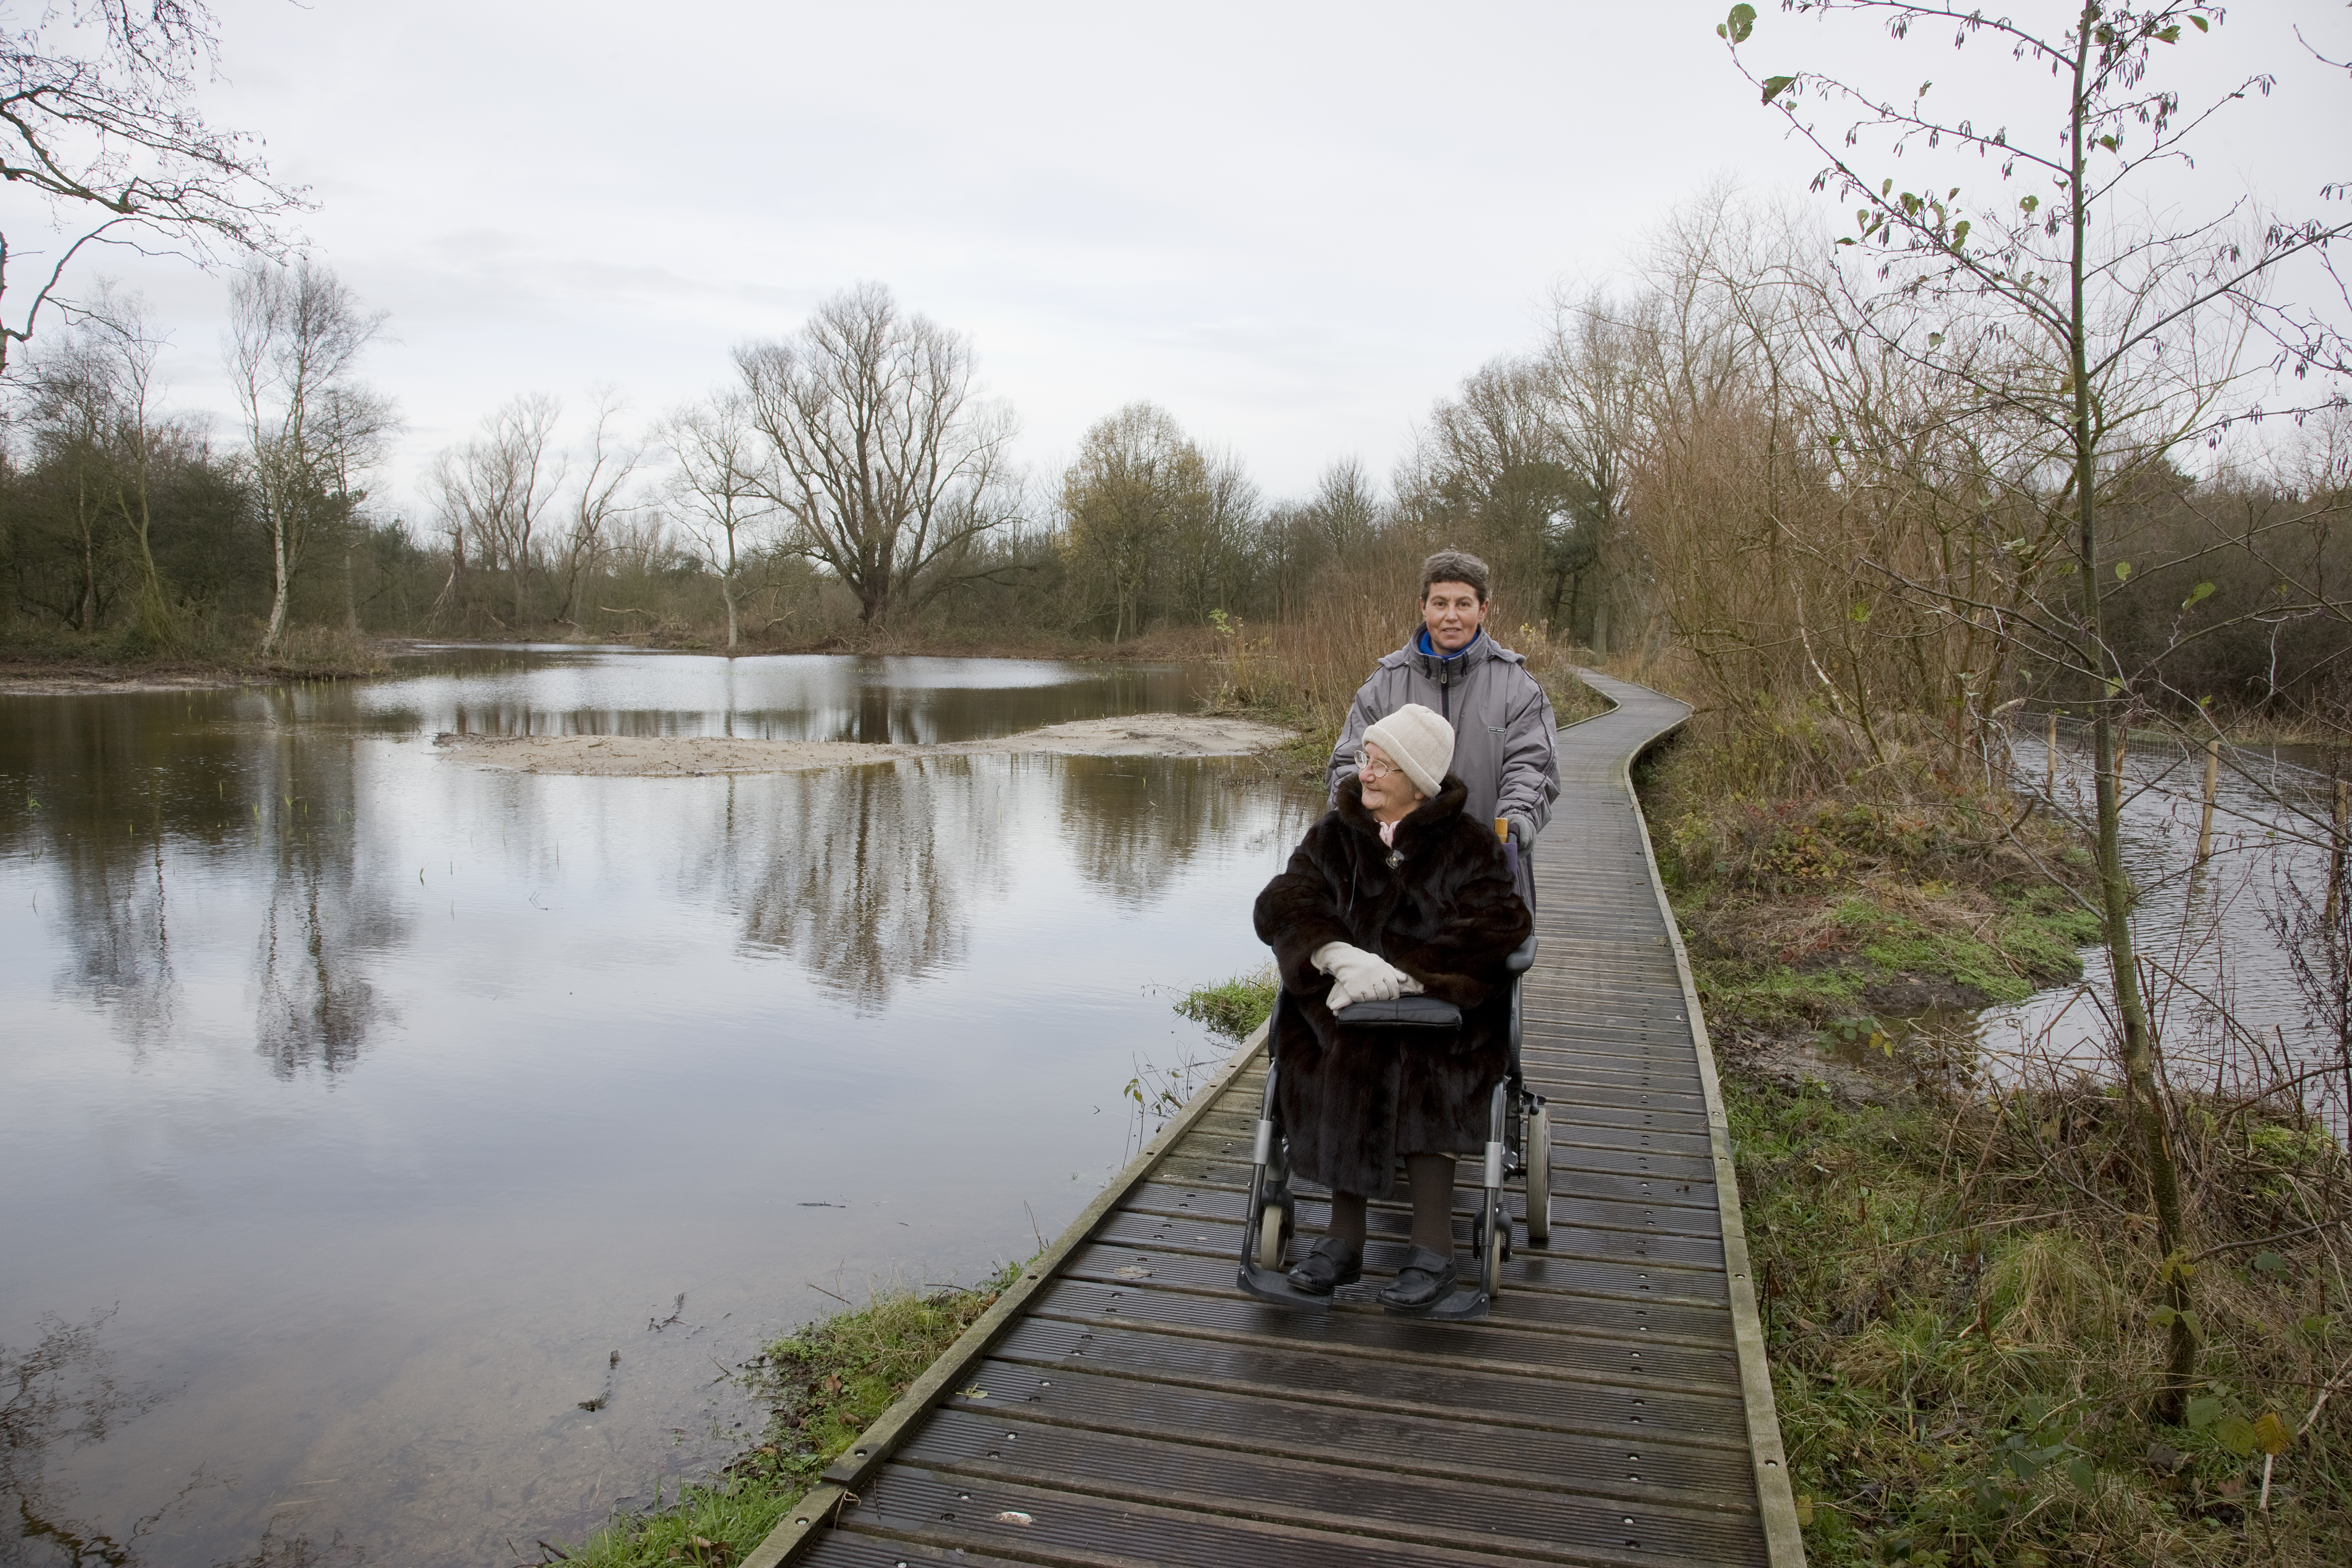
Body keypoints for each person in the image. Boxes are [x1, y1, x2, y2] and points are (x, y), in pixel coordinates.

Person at [1253, 703, 1532, 1310]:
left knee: (1427, 1062)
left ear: (1418, 780)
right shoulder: (1334, 836)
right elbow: (1283, 900)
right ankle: (1343, 1241)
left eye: (1381, 764)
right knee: (1337, 1053)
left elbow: (1502, 922)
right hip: (1340, 1010)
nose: (1366, 774)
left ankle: (1434, 1249)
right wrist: (1335, 954)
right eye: (1364, 760)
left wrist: (1410, 975)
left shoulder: (1468, 846)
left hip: (1440, 1015)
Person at [1329, 549, 1561, 910]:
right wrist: (1358, 822)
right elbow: (1348, 767)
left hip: (1486, 887)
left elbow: (1532, 766)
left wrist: (1517, 818)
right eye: (1440, 603)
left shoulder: (1518, 687)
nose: (1451, 616)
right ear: (1423, 606)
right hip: (1393, 891)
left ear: (1483, 609)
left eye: (1463, 604)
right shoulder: (1382, 686)